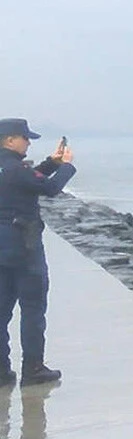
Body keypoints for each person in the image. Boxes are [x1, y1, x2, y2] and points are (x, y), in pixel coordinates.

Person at [0, 118, 76, 387]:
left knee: (1, 311)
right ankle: (33, 370)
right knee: (32, 309)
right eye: (25, 137)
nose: (29, 142)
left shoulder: (9, 168)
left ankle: (1, 371)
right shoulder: (17, 169)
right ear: (9, 140)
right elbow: (50, 188)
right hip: (25, 248)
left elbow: (26, 180)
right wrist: (66, 165)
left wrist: (51, 163)